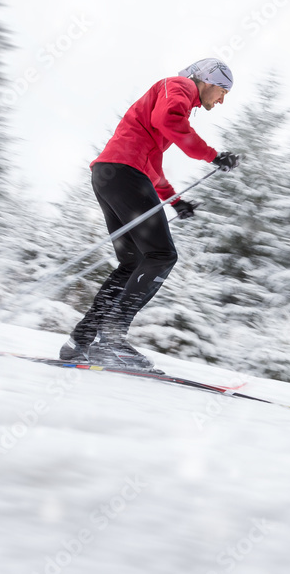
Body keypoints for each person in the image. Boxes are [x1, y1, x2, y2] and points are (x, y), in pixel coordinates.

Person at [59, 58, 240, 370]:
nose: (222, 99)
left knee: (132, 264)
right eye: (223, 90)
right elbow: (169, 120)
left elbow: (152, 165)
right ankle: (113, 340)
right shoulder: (179, 86)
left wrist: (175, 202)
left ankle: (80, 340)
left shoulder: (169, 99)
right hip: (123, 174)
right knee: (161, 255)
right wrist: (212, 156)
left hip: (111, 175)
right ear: (208, 81)